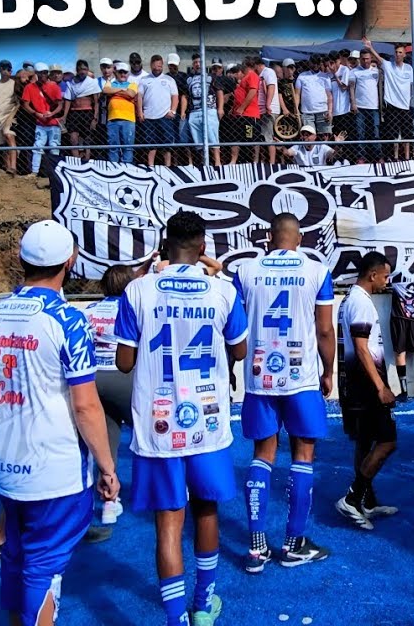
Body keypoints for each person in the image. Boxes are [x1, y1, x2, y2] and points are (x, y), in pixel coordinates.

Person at [0, 220, 117, 626]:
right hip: (55, 471)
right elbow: (86, 407)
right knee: (43, 567)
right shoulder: (68, 320)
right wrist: (107, 468)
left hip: (6, 464)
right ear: (70, 261)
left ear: (22, 259)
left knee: (16, 554)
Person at [114, 211, 248, 626]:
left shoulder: (138, 290)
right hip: (208, 423)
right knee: (206, 511)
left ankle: (176, 619)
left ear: (164, 244)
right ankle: (204, 605)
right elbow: (240, 350)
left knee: (168, 524)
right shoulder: (223, 291)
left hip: (158, 426)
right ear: (203, 246)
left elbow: (124, 362)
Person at [232, 212, 337, 571]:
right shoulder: (316, 271)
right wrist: (328, 371)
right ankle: (293, 544)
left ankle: (256, 548)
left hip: (259, 376)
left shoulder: (245, 271)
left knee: (262, 454)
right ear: (300, 238)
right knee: (303, 455)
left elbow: (235, 327)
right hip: (301, 377)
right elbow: (325, 330)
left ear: (269, 237)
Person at [335, 251, 399, 530]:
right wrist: (381, 387)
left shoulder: (350, 299)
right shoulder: (361, 303)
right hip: (366, 387)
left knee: (364, 442)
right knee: (387, 442)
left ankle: (367, 502)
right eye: (385, 276)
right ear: (373, 275)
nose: (387, 281)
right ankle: (353, 498)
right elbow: (362, 348)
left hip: (355, 384)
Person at [81, 265, 140, 527]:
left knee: (105, 443)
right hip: (126, 377)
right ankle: (164, 490)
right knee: (150, 435)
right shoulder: (132, 308)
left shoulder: (88, 311)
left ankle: (109, 502)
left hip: (94, 379)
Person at [389, 275, 414, 403]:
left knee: (412, 352)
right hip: (410, 316)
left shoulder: (396, 269)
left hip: (403, 316)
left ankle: (406, 391)